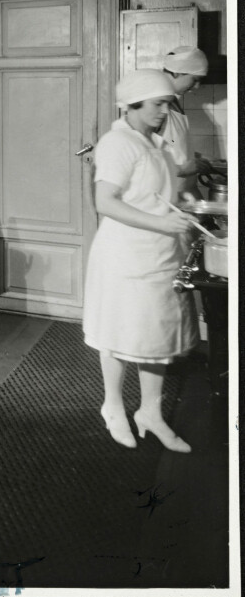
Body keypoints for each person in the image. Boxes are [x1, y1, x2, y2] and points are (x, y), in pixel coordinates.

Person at [83, 69, 199, 453]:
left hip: (162, 255)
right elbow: (106, 202)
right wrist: (161, 221)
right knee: (119, 334)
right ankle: (113, 406)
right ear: (132, 104)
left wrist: (185, 210)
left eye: (167, 104)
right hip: (126, 258)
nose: (164, 111)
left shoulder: (157, 144)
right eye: (157, 104)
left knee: (158, 338)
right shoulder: (118, 143)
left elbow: (156, 196)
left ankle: (151, 412)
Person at [159, 46, 212, 198]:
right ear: (176, 72)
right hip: (163, 196)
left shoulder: (172, 100)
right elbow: (140, 156)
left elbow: (169, 145)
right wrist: (181, 169)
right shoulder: (156, 103)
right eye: (194, 80)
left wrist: (195, 156)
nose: (197, 87)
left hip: (181, 194)